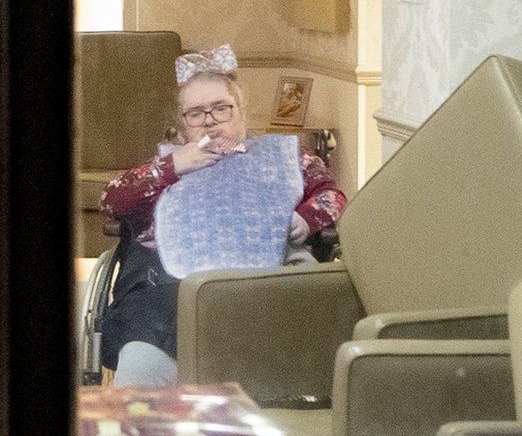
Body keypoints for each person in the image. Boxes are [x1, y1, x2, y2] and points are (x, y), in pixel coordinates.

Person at [98, 46, 346, 387]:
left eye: (221, 108)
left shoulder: (286, 157)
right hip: (170, 296)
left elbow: (331, 195)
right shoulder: (167, 166)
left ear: (241, 112)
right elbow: (112, 201)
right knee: (142, 371)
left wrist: (306, 217)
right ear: (182, 124)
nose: (210, 119)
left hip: (263, 285)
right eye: (196, 113)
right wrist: (175, 166)